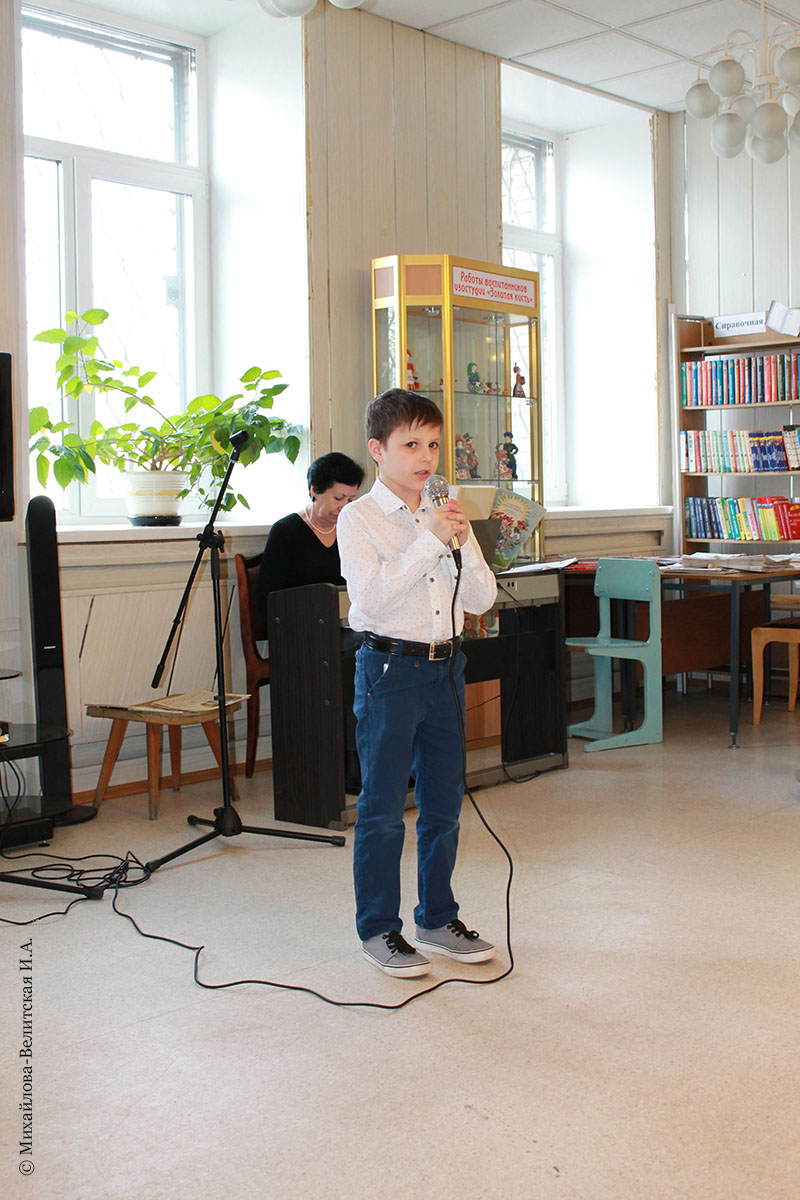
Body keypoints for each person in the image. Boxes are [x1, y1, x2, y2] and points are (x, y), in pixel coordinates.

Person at [337, 388, 498, 978]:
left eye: (432, 444)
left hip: (445, 668)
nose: (426, 456)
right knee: (383, 809)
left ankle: (436, 917)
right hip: (389, 671)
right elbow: (372, 599)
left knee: (443, 804)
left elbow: (480, 599)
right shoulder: (359, 518)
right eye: (411, 445)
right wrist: (429, 539)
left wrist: (460, 540)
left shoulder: (444, 509)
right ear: (378, 450)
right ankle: (378, 929)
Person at [255, 451, 364, 620]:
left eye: (350, 500)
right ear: (314, 490)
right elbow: (267, 599)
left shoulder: (352, 530)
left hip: (345, 622)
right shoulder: (285, 531)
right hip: (298, 623)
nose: (344, 507)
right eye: (338, 498)